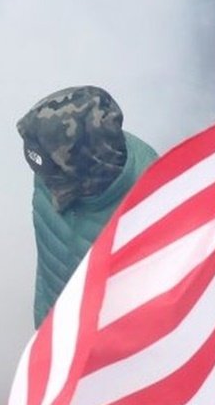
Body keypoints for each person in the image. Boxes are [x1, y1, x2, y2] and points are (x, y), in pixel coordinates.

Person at [16, 86, 158, 328]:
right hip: (53, 330)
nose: (45, 180)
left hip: (109, 349)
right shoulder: (50, 163)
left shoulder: (151, 201)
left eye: (55, 173)